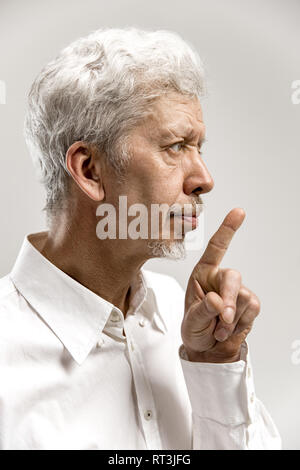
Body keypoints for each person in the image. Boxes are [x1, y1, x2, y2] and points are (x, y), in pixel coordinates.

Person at [0, 27, 281, 450]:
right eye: (176, 146)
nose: (205, 179)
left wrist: (215, 367)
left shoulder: (189, 319)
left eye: (199, 147)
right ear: (90, 170)